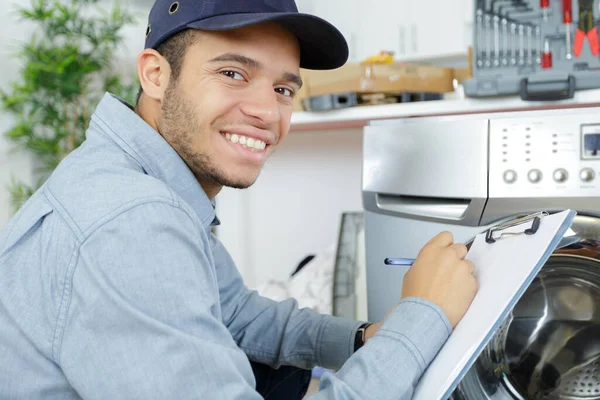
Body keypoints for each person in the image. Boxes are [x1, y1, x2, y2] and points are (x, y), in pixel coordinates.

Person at [0, 0, 478, 399]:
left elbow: (234, 313)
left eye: (283, 88)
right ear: (155, 75)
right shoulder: (131, 222)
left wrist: (362, 339)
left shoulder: (138, 179)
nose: (267, 111)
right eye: (232, 72)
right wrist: (422, 319)